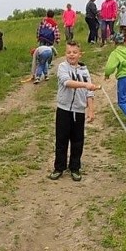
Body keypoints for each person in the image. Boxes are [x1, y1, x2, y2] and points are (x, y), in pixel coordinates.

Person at [48, 41, 99, 182]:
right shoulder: (62, 67)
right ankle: (59, 167)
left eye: (74, 52)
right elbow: (67, 83)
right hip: (64, 110)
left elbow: (89, 92)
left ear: (80, 54)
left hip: (79, 111)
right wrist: (85, 84)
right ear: (65, 54)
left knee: (78, 141)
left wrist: (91, 110)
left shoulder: (84, 70)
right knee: (61, 140)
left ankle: (75, 168)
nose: (72, 55)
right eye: (69, 52)